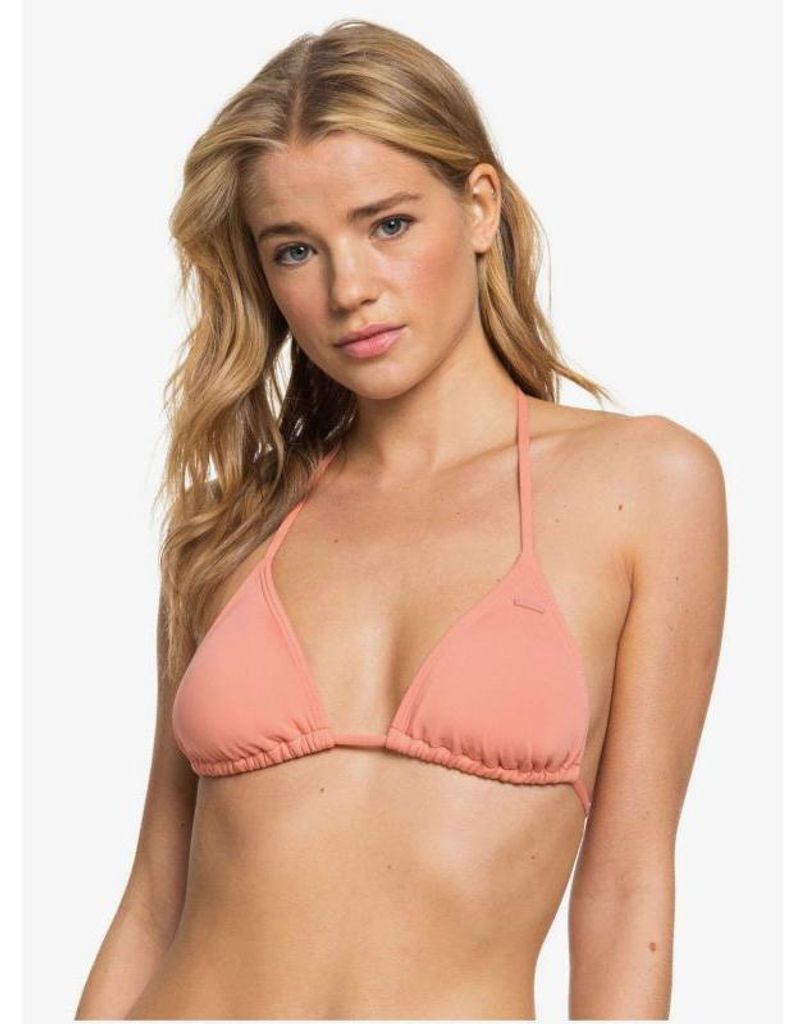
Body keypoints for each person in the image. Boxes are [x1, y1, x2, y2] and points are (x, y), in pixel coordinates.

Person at [74, 17, 728, 1022]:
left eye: (387, 225)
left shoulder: (641, 484)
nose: (349, 290)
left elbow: (627, 887)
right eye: (296, 250)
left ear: (478, 207)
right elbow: (153, 899)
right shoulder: (232, 519)